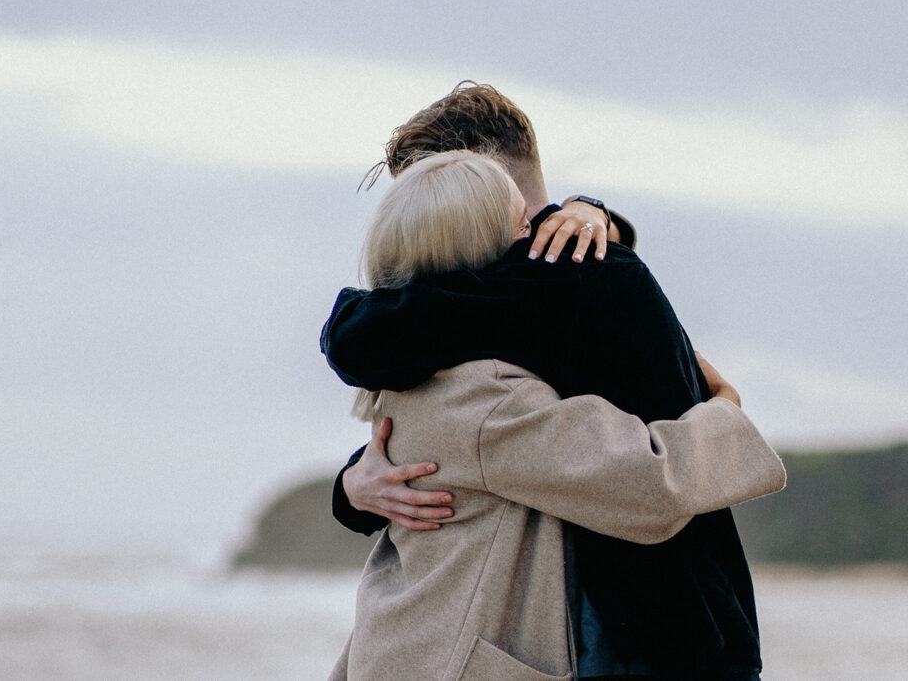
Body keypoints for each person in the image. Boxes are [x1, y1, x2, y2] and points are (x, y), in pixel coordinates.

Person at [325, 82, 770, 679]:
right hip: (648, 635)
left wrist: (351, 485)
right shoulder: (505, 317)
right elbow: (640, 480)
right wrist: (727, 410)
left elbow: (451, 423)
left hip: (640, 632)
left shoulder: (525, 303)